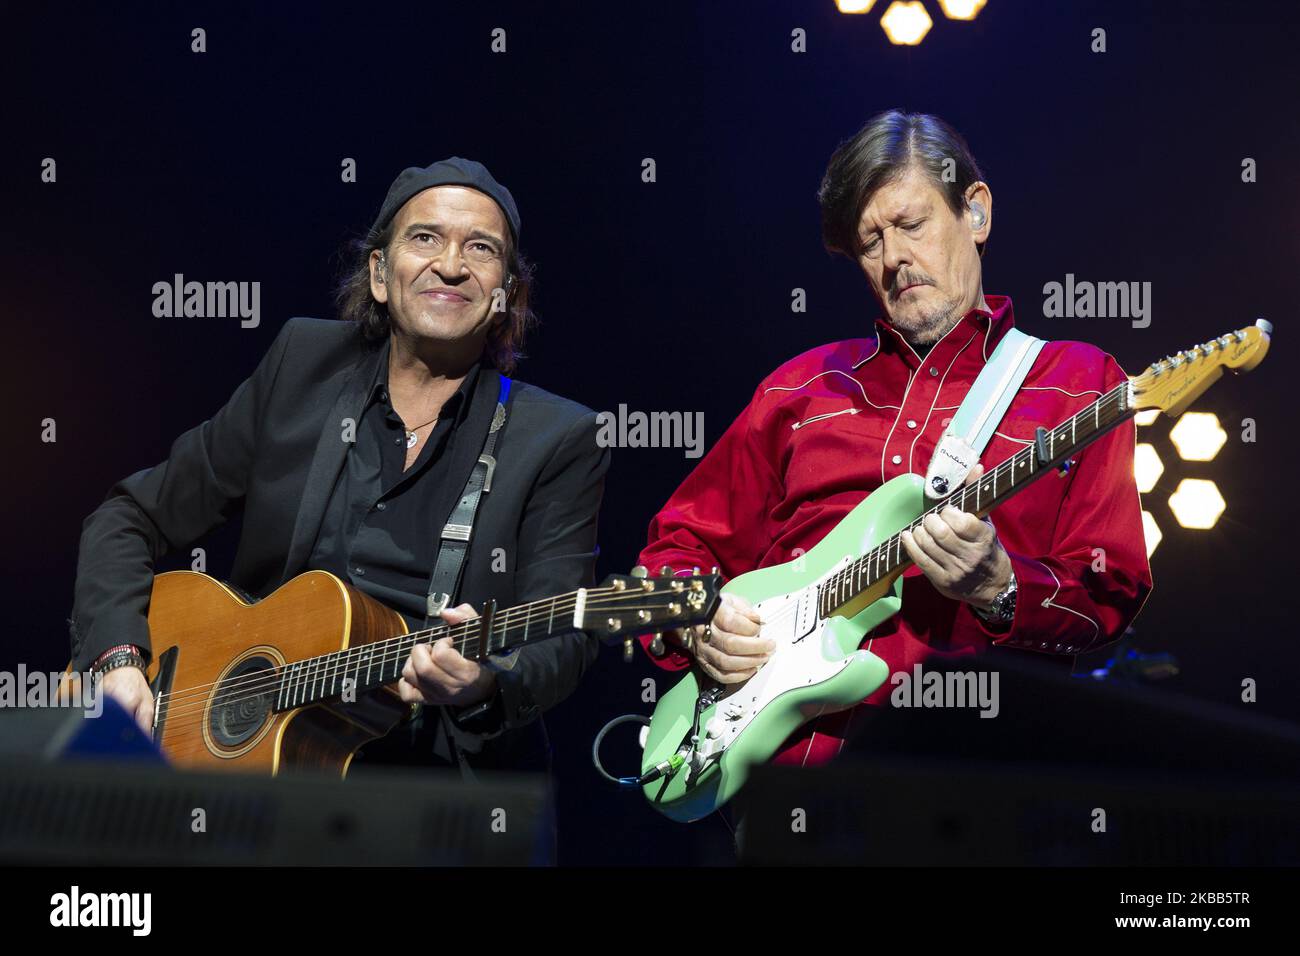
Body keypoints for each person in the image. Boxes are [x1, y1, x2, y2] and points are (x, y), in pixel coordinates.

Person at [636, 110, 1152, 773]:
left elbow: (1109, 589)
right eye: (870, 241)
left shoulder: (1082, 385)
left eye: (910, 225)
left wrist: (1002, 587)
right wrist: (699, 620)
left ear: (976, 213)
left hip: (984, 782)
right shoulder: (799, 389)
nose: (894, 258)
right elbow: (674, 549)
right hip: (786, 780)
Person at [69, 157, 610, 777]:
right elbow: (129, 516)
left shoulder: (559, 437)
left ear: (503, 296)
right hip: (249, 766)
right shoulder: (302, 364)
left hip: (434, 786)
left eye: (481, 249)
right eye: (425, 237)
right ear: (380, 273)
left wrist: (482, 683)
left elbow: (565, 635)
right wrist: (118, 660)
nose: (452, 264)